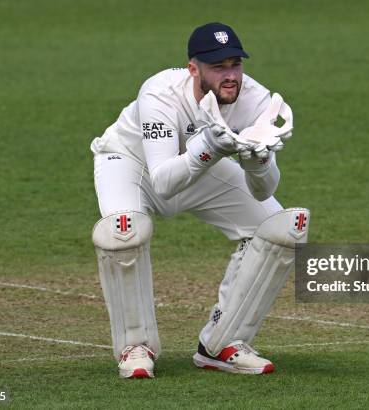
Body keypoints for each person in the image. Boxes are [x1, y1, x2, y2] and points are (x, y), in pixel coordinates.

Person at [90, 22, 310, 378]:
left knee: (281, 228)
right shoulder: (160, 94)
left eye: (235, 64)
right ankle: (136, 346)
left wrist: (259, 161)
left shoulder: (256, 99)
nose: (230, 76)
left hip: (197, 169)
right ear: (194, 69)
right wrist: (209, 148)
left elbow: (264, 190)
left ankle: (223, 343)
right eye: (218, 67)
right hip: (131, 163)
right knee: (123, 232)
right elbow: (162, 182)